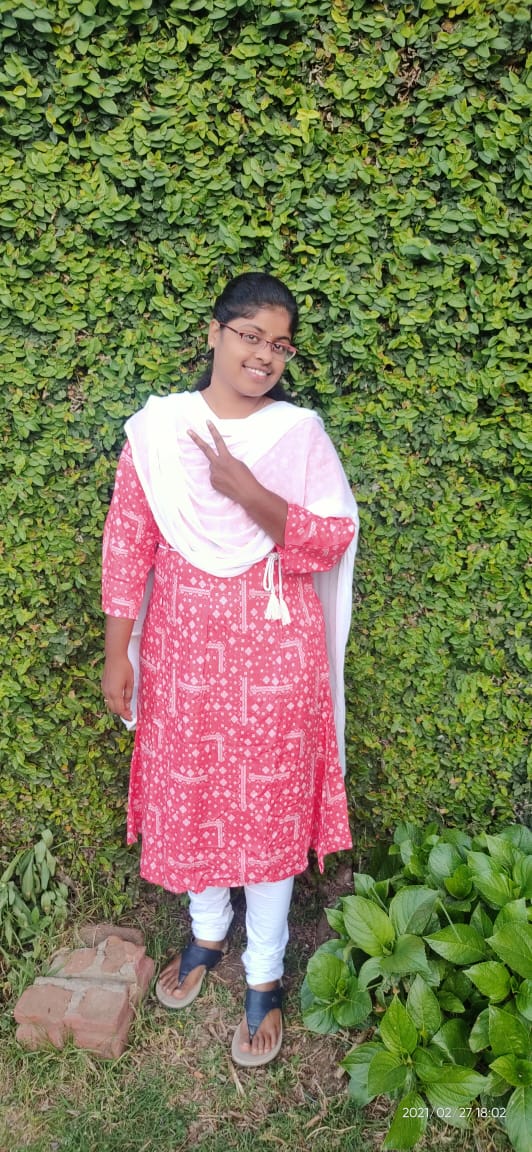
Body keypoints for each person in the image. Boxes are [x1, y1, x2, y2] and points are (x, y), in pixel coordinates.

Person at [101, 271, 358, 1067]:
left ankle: (264, 973)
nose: (265, 355)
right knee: (193, 792)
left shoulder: (298, 434)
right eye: (251, 335)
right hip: (181, 652)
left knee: (270, 806)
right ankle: (208, 933)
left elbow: (331, 539)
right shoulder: (160, 431)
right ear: (214, 333)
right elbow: (128, 542)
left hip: (277, 654)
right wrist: (117, 652)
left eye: (281, 345)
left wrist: (248, 492)